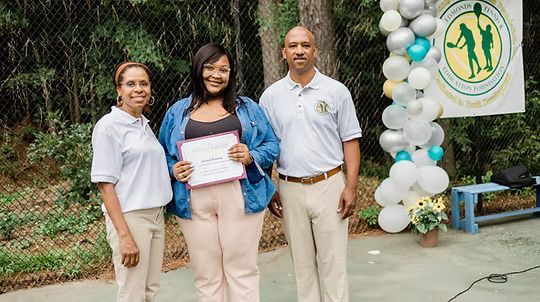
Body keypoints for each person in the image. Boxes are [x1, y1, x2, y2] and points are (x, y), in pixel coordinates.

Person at [158, 42, 279, 302]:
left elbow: (272, 145)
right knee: (206, 273)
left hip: (240, 195)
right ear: (198, 70)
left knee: (242, 270)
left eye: (223, 69)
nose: (216, 75)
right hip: (194, 200)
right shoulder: (178, 111)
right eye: (210, 68)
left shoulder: (247, 107)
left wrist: (251, 155)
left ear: (231, 73)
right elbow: (161, 155)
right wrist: (173, 169)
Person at [259, 26, 362, 302]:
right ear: (284, 53)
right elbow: (267, 146)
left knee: (334, 263)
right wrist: (271, 187)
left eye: (305, 45)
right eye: (293, 46)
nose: (299, 50)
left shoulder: (336, 91)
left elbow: (350, 141)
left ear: (315, 50)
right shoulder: (270, 97)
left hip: (329, 185)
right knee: (302, 267)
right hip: (290, 187)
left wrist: (350, 187)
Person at [91, 61, 173, 302]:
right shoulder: (108, 127)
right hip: (131, 218)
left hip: (156, 216)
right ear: (119, 90)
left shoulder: (143, 125)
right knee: (132, 293)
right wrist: (125, 236)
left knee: (149, 290)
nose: (138, 89)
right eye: (130, 84)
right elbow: (105, 185)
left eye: (143, 84)